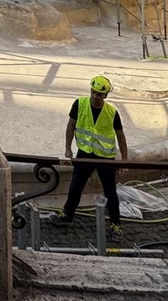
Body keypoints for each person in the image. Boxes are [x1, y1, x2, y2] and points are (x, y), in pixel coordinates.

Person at [55, 75, 129, 233]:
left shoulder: (111, 112)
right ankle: (67, 215)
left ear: (105, 96)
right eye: (93, 92)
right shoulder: (80, 104)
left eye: (99, 94)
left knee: (110, 192)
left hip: (105, 157)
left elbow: (121, 136)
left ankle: (115, 224)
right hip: (85, 153)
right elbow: (71, 126)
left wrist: (124, 160)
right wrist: (68, 148)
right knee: (76, 186)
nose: (95, 96)